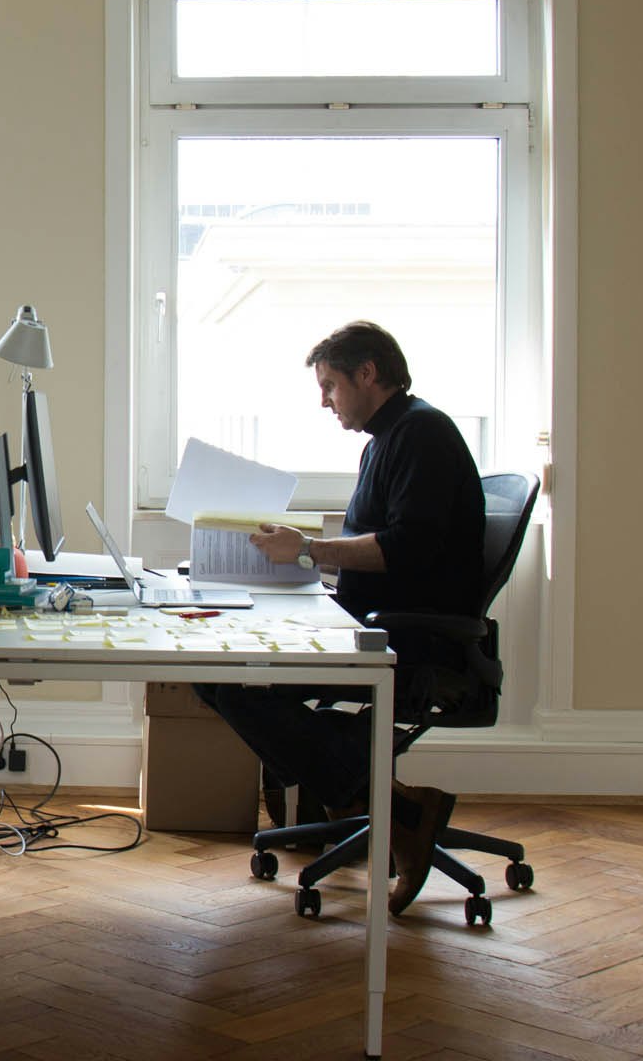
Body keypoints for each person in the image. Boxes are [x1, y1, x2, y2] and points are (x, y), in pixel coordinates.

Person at [193, 320, 486, 914]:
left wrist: (308, 552)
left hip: (406, 640)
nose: (323, 400)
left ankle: (392, 808)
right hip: (371, 621)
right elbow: (380, 553)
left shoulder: (421, 434)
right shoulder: (387, 439)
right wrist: (301, 570)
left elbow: (409, 548)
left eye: (330, 385)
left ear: (368, 374)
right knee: (213, 669)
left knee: (234, 681)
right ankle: (378, 798)